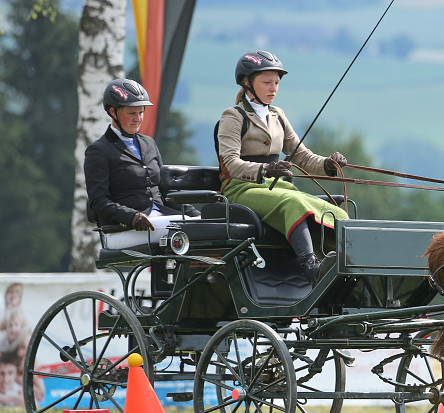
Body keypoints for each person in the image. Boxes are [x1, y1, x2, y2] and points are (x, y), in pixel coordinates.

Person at [217, 50, 349, 285]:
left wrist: (328, 164)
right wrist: (264, 170)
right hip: (241, 188)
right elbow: (230, 163)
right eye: (267, 82)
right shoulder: (233, 116)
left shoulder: (278, 115)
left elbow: (302, 157)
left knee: (337, 213)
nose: (273, 88)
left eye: (276, 83)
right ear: (247, 83)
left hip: (276, 187)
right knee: (294, 204)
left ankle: (347, 265)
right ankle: (312, 269)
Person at [85, 78, 199, 249]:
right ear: (113, 112)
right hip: (122, 230)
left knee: (206, 226)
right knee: (184, 228)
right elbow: (99, 201)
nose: (138, 119)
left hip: (161, 219)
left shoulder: (148, 143)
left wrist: (195, 214)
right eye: (131, 113)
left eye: (141, 112)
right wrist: (132, 217)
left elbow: (164, 190)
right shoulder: (99, 150)